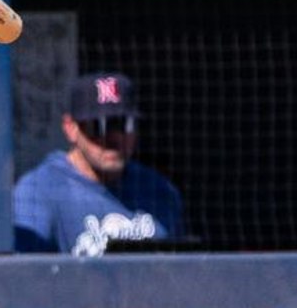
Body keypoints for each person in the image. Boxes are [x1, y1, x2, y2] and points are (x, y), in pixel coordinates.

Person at [13, 73, 184, 257]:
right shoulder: (38, 190)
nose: (114, 138)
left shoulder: (159, 191)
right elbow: (25, 271)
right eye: (99, 126)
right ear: (71, 128)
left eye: (124, 125)